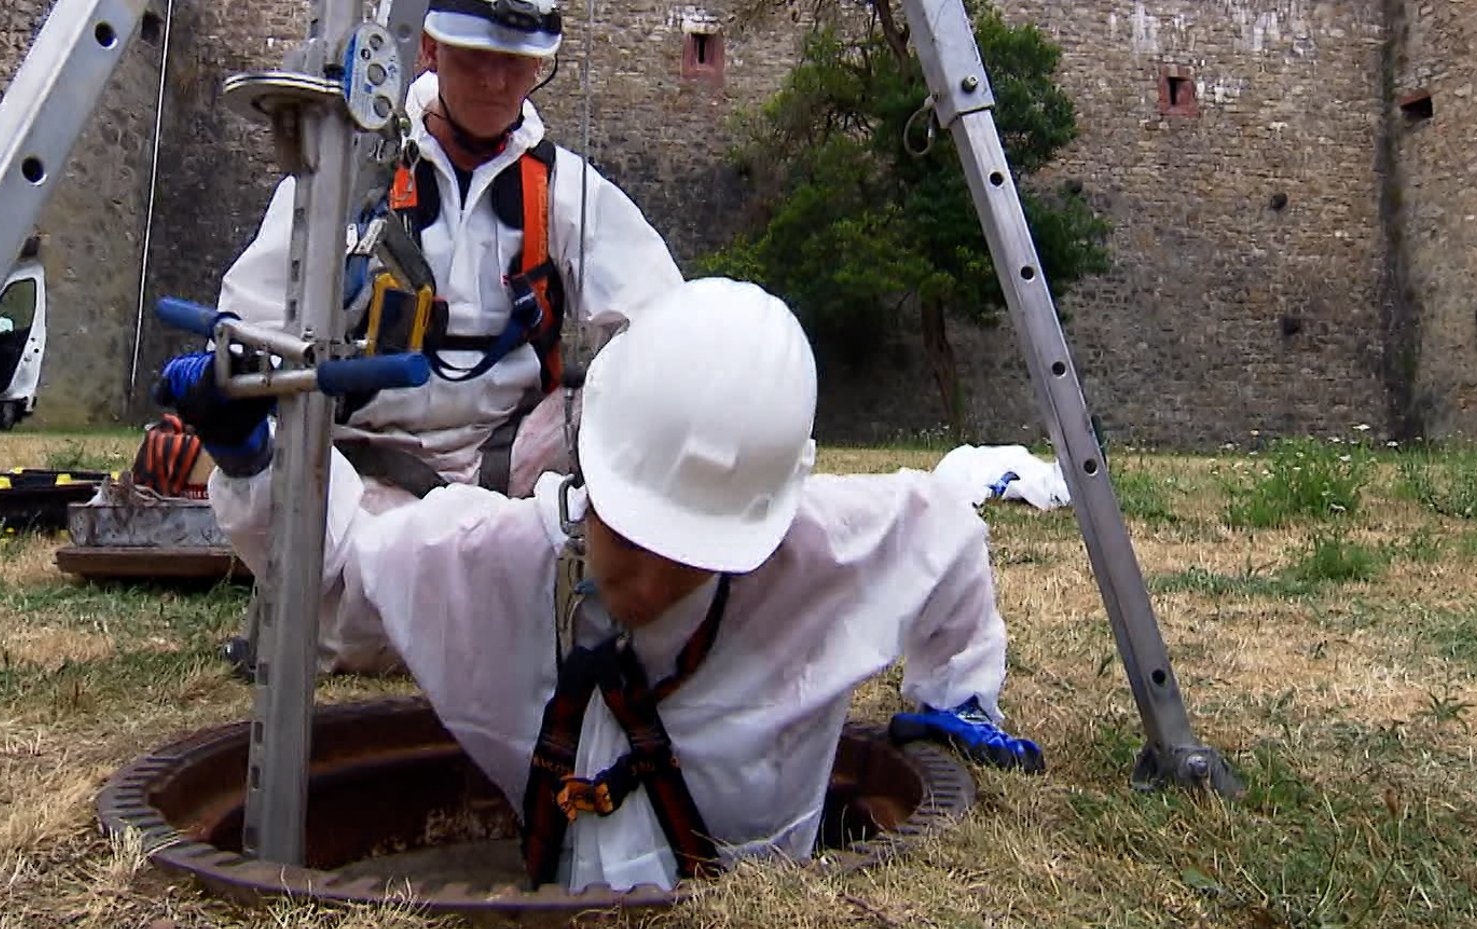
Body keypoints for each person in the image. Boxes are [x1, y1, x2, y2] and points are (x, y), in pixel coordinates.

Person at [158, 278, 1044, 893]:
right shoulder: (501, 557)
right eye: (637, 531)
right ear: (591, 468)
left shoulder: (823, 551)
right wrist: (254, 460)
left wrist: (955, 694)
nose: (651, 579)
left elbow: (948, 533)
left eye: (694, 549)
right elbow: (348, 569)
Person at [205, 0, 682, 672]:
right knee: (254, 480)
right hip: (365, 465)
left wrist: (628, 406)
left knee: (651, 400)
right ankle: (393, 608)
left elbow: (665, 318)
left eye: (516, 65)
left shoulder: (565, 189)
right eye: (475, 59)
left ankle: (465, 600)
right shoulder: (352, 174)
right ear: (428, 51)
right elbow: (253, 318)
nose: (497, 83)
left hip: (513, 463)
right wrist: (232, 395)